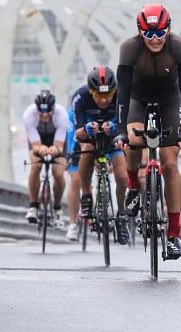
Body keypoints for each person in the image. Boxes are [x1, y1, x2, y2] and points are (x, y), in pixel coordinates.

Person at [114, 4, 181, 260]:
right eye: (148, 34)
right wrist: (120, 131)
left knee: (170, 164)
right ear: (140, 33)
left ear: (169, 29)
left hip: (171, 100)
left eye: (160, 33)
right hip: (138, 98)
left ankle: (173, 234)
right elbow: (123, 93)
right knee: (134, 139)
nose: (155, 39)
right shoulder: (129, 48)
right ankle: (134, 185)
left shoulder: (180, 46)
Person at [72, 66, 130, 245]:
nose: (104, 100)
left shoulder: (122, 95)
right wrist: (87, 129)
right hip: (90, 137)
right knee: (86, 151)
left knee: (122, 177)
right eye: (99, 95)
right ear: (90, 91)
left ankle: (121, 215)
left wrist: (116, 129)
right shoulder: (80, 97)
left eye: (108, 95)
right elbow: (78, 133)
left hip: (113, 137)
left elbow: (128, 127)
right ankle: (86, 196)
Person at [23, 90, 69, 227]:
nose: (44, 115)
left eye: (48, 111)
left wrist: (55, 149)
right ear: (36, 109)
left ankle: (57, 208)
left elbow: (59, 145)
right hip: (39, 138)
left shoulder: (62, 115)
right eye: (41, 112)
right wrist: (40, 149)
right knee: (35, 166)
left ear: (53, 108)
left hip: (57, 139)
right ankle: (33, 206)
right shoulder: (28, 115)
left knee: (58, 173)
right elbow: (35, 144)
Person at [65, 105, 82, 240]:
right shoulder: (73, 111)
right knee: (76, 180)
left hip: (101, 142)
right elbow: (70, 134)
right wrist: (69, 154)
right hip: (78, 145)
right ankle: (72, 223)